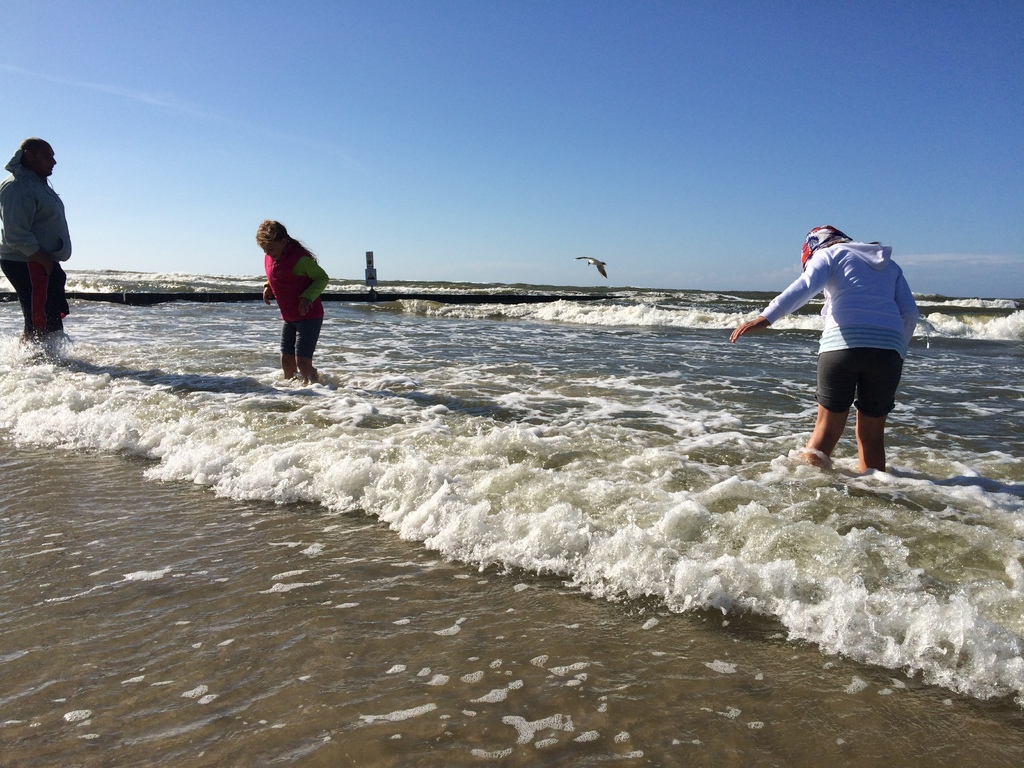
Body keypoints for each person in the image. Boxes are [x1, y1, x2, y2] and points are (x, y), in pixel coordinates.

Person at [730, 226, 919, 473]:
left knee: (827, 429)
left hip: (842, 345)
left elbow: (805, 285)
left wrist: (767, 317)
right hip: (888, 351)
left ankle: (803, 486)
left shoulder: (829, 254)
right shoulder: (891, 266)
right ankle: (874, 491)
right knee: (872, 436)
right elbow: (910, 313)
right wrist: (897, 348)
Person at [0, 138, 72, 341]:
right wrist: (46, 262)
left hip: (40, 261)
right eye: (47, 157)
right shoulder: (17, 186)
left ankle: (47, 359)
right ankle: (31, 359)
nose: (54, 162)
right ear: (29, 156)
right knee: (38, 323)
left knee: (49, 320)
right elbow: (16, 234)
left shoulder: (35, 182)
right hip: (27, 261)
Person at [256, 220, 329, 384]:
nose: (268, 253)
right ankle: (291, 392)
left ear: (283, 242)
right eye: (264, 250)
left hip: (309, 316)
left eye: (271, 249)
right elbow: (276, 274)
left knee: (302, 362)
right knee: (286, 360)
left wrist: (307, 297)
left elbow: (322, 278)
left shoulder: (300, 259)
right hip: (288, 317)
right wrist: (268, 286)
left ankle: (319, 389)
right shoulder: (270, 257)